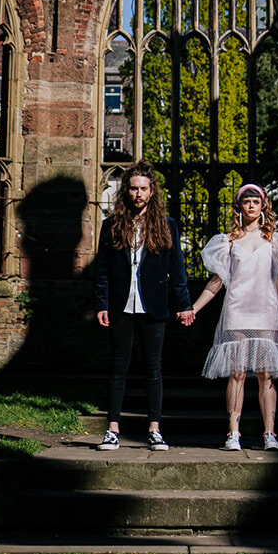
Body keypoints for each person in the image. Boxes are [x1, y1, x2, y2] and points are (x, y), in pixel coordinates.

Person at [94, 160, 194, 450]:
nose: (138, 194)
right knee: (118, 368)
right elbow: (102, 269)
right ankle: (112, 429)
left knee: (153, 369)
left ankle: (154, 428)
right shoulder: (111, 225)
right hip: (120, 306)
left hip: (154, 306)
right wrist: (101, 303)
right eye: (134, 188)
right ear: (126, 191)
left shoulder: (166, 225)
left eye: (143, 189)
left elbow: (178, 270)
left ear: (152, 192)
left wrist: (184, 305)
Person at [190, 182, 278, 451]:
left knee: (265, 374)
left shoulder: (276, 241)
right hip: (237, 310)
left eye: (256, 201)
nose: (251, 206)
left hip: (266, 311)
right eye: (246, 202)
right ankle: (233, 432)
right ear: (239, 207)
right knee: (236, 373)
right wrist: (194, 308)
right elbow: (217, 282)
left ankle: (269, 433)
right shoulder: (228, 241)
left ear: (263, 206)